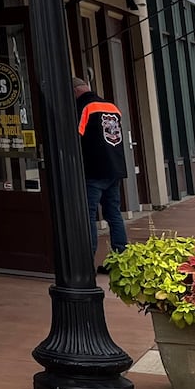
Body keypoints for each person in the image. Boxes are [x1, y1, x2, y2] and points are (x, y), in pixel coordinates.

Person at [74, 76, 128, 271]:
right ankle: (121, 260)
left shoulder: (84, 107)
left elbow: (75, 137)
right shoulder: (112, 107)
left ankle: (86, 263)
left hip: (94, 170)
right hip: (115, 169)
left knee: (89, 216)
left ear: (75, 91)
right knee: (113, 214)